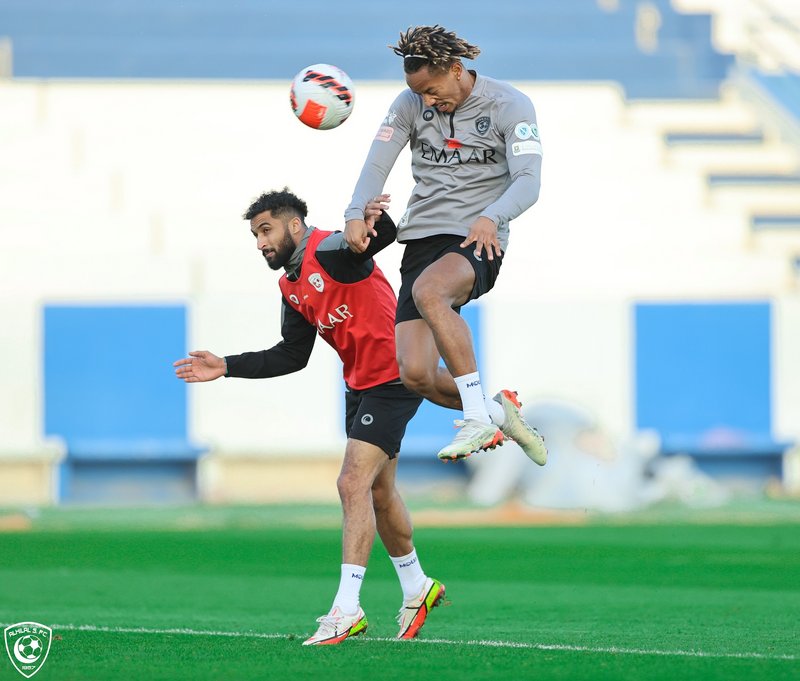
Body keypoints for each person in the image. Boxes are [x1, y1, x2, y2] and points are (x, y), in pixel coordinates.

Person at [173, 189, 445, 645]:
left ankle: (347, 609)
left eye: (266, 230)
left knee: (350, 483)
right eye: (255, 234)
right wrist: (227, 366)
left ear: (293, 225)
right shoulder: (291, 285)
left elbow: (377, 239)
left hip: (393, 376)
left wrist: (374, 221)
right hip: (360, 387)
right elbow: (292, 355)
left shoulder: (329, 249)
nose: (260, 242)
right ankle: (417, 587)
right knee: (379, 492)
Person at [344, 25, 548, 464]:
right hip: (420, 240)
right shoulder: (409, 104)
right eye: (421, 95)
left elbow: (529, 182)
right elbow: (376, 162)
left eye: (434, 91)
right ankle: (498, 413)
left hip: (478, 236)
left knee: (431, 291)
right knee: (415, 373)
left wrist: (492, 216)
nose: (429, 103)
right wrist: (354, 213)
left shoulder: (511, 105)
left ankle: (476, 420)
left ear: (457, 69)